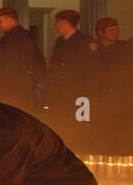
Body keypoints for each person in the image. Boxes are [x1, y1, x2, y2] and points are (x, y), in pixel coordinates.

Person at [42, 9, 98, 145]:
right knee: (61, 123)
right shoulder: (59, 42)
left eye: (57, 22)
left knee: (81, 124)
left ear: (66, 23)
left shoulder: (85, 41)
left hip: (80, 93)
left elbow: (92, 70)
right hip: (60, 93)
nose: (55, 26)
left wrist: (89, 93)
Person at [0, 7, 45, 113]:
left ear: (10, 20)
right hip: (17, 87)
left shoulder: (16, 38)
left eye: (0, 21)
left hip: (15, 88)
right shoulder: (18, 36)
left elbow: (12, 65)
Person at [93, 17, 132, 152]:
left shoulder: (123, 48)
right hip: (101, 97)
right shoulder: (93, 50)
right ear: (101, 32)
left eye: (117, 30)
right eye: (112, 30)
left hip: (121, 97)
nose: (116, 33)